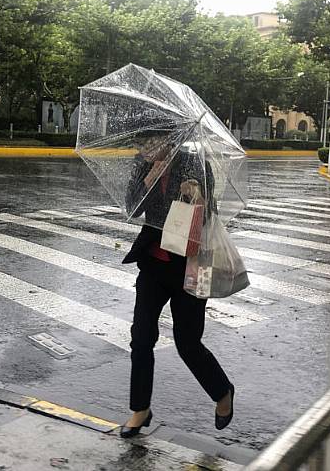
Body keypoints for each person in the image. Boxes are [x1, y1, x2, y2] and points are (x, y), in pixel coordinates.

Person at [119, 130, 234, 438]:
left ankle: (223, 392)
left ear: (168, 141)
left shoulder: (193, 163)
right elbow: (131, 208)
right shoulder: (143, 166)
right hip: (153, 265)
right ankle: (140, 409)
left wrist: (197, 194)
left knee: (188, 343)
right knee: (141, 338)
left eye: (152, 143)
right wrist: (147, 181)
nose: (145, 150)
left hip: (193, 264)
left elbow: (210, 211)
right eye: (141, 145)